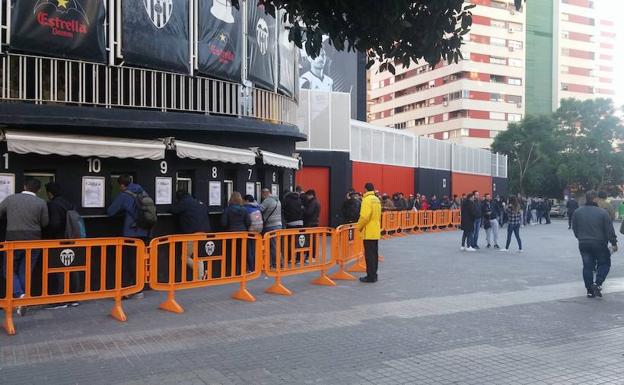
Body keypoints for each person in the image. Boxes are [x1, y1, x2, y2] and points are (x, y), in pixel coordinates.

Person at [0, 178, 49, 316]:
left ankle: (20, 295)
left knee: (8, 270)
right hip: (34, 241)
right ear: (38, 190)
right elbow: (45, 223)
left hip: (13, 241)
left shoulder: (11, 199)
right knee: (25, 270)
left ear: (24, 186)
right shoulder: (41, 202)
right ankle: (22, 300)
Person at [107, 175, 153, 298]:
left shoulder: (124, 195)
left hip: (132, 232)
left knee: (130, 261)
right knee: (138, 260)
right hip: (145, 232)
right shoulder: (143, 192)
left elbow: (111, 211)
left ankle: (133, 290)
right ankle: (138, 289)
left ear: (122, 185)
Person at [572, 190, 618, 298]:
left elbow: (575, 228)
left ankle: (589, 290)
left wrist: (580, 237)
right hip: (600, 243)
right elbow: (609, 230)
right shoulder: (602, 212)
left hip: (583, 243)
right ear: (595, 199)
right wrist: (614, 243)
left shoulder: (578, 212)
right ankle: (598, 283)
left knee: (587, 266)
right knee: (604, 263)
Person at [44, 182, 81, 309]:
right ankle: (73, 298)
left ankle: (61, 299)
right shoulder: (68, 203)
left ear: (49, 193)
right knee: (72, 268)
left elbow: (54, 224)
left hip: (59, 240)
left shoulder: (54, 205)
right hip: (72, 239)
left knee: (59, 268)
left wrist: (47, 234)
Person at [170, 190, 211, 279]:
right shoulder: (198, 202)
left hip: (192, 234)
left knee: (185, 257)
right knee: (198, 256)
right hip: (204, 233)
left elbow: (173, 210)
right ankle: (200, 278)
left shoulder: (184, 202)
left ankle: (201, 273)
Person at [357, 183, 382, 283]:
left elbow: (364, 217)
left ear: (365, 189)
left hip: (368, 231)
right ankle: (374, 274)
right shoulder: (376, 199)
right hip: (375, 229)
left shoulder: (366, 200)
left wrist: (359, 227)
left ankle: (370, 276)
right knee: (374, 254)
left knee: (369, 255)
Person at [260, 188, 282, 267]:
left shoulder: (267, 200)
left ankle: (276, 263)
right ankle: (278, 262)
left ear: (264, 193)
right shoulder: (277, 200)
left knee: (273, 245)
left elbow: (260, 209)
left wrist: (255, 204)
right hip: (279, 225)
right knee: (276, 244)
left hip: (271, 226)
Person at [244, 195, 263, 271]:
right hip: (258, 231)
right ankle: (256, 266)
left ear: (247, 201)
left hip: (250, 231)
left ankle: (250, 268)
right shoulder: (257, 208)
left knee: (249, 250)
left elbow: (247, 221)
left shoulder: (246, 209)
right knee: (255, 249)